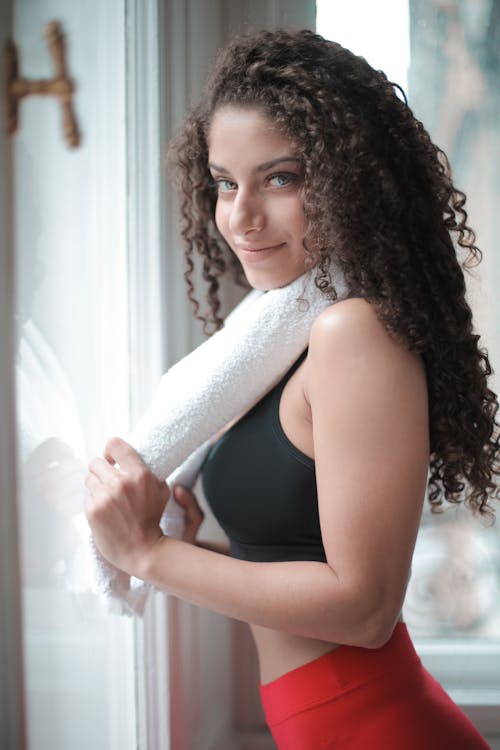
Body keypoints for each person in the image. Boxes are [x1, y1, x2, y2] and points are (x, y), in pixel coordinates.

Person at [84, 29, 499, 749]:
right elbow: (291, 572)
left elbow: (364, 609)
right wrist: (159, 541)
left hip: (376, 726)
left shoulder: (353, 332)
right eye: (224, 182)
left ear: (348, 180)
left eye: (280, 178)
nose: (241, 217)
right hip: (325, 721)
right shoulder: (288, 340)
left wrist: (150, 558)